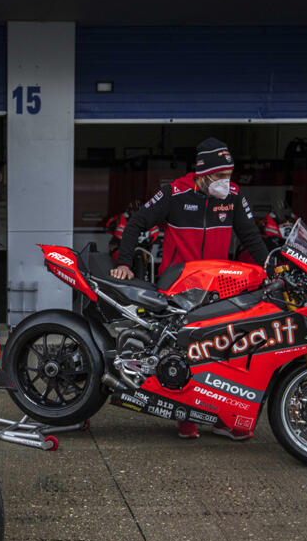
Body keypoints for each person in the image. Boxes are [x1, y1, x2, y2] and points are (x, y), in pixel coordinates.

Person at [111, 138, 268, 442]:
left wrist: (271, 268)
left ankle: (226, 418)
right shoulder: (175, 193)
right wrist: (125, 263)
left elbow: (252, 238)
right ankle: (185, 418)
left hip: (222, 285)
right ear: (203, 173)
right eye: (220, 176)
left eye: (229, 175)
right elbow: (136, 224)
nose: (226, 182)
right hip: (181, 286)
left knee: (229, 351)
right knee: (185, 351)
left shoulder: (233, 197)